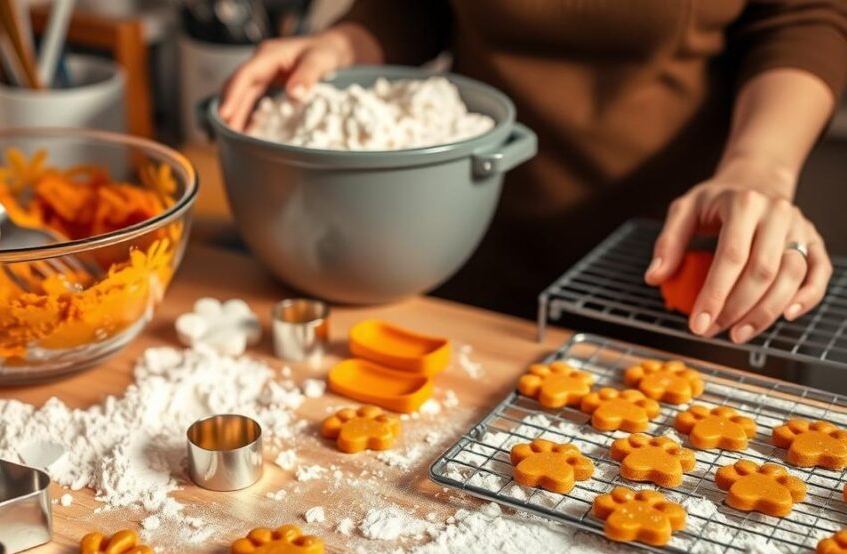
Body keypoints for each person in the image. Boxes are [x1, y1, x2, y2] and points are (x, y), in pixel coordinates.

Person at [219, 1, 846, 343]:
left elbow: (804, 18)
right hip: (461, 246)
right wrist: (346, 43)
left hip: (679, 259)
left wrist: (758, 169)